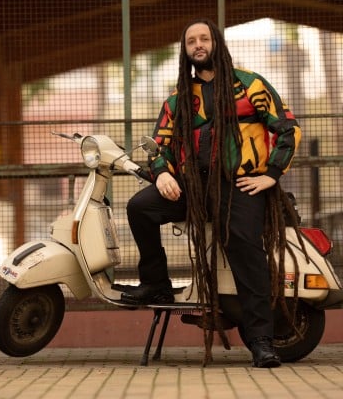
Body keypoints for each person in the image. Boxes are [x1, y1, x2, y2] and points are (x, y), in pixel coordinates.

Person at [121, 19, 301, 368]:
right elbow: (159, 147)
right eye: (192, 41)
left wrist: (271, 175)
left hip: (239, 186)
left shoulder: (250, 85)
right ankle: (156, 284)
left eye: (204, 38)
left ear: (216, 43)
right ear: (185, 50)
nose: (198, 45)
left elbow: (287, 129)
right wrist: (162, 174)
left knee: (245, 250)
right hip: (192, 188)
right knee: (140, 207)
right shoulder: (177, 100)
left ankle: (261, 342)